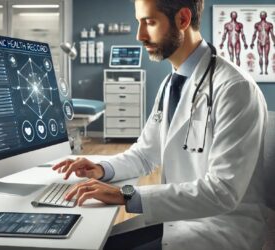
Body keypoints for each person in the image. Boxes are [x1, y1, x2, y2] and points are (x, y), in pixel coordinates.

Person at [53, 0, 268, 249]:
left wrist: (127, 195)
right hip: (178, 219)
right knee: (93, 243)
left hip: (220, 229)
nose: (140, 35)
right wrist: (101, 169)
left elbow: (222, 192)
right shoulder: (171, 83)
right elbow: (145, 154)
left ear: (183, 20)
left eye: (150, 22)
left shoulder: (234, 88)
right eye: (139, 22)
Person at [250, 11, 275, 75]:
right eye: (261, 15)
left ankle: (266, 70)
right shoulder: (257, 24)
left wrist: (274, 41)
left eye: (263, 15)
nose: (262, 16)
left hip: (267, 41)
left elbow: (272, 34)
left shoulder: (270, 24)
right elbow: (254, 34)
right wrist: (252, 42)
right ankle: (261, 71)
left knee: (266, 56)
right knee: (260, 56)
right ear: (260, 16)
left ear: (266, 16)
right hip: (259, 41)